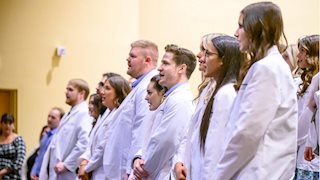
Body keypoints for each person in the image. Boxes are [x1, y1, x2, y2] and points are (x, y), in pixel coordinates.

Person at [213, 2, 298, 179]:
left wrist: (218, 175)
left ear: (257, 28)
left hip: (258, 171)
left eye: (241, 26)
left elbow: (247, 133)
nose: (236, 33)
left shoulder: (266, 69)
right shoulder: (270, 66)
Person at [175, 35, 244, 180]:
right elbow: (193, 134)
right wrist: (182, 160)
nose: (201, 58)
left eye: (208, 53)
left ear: (223, 60)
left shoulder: (227, 94)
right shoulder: (210, 88)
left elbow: (216, 146)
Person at [132, 44, 196, 179]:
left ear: (181, 68)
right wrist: (138, 158)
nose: (159, 68)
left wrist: (144, 170)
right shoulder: (170, 98)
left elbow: (166, 142)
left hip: (159, 173)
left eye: (165, 63)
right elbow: (151, 138)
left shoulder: (180, 100)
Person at [103, 40, 159, 179]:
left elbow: (141, 130)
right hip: (119, 169)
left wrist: (130, 171)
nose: (127, 59)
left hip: (126, 171)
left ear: (147, 60)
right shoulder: (138, 86)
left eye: (132, 56)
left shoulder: (148, 87)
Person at [78, 75, 131, 180]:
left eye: (107, 88)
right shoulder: (107, 112)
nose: (102, 92)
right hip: (96, 169)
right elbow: (94, 142)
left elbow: (103, 146)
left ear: (118, 92)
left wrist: (87, 168)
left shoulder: (120, 115)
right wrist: (85, 162)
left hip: (103, 171)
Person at [39, 79, 92, 180]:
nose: (66, 92)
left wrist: (67, 164)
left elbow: (84, 143)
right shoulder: (69, 113)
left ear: (81, 93)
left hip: (66, 172)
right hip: (57, 170)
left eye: (70, 89)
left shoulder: (84, 113)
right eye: (66, 89)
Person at [128, 74, 166, 179]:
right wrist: (137, 159)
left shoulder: (164, 117)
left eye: (149, 93)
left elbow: (159, 147)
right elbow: (144, 146)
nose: (145, 97)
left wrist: (143, 168)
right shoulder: (152, 114)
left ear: (162, 93)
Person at [295, 35, 319, 180]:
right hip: (303, 160)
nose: (298, 55)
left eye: (303, 51)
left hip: (312, 162)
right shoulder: (302, 85)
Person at [30, 107, 64, 180]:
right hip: (37, 176)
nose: (49, 119)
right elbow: (39, 157)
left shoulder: (59, 137)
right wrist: (33, 172)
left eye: (53, 117)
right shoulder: (45, 135)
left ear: (61, 120)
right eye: (48, 116)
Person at [0, 113, 26, 179]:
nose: (7, 126)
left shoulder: (18, 139)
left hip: (12, 176)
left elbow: (20, 160)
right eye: (5, 123)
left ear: (13, 125)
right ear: (1, 124)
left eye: (10, 123)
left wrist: (3, 172)